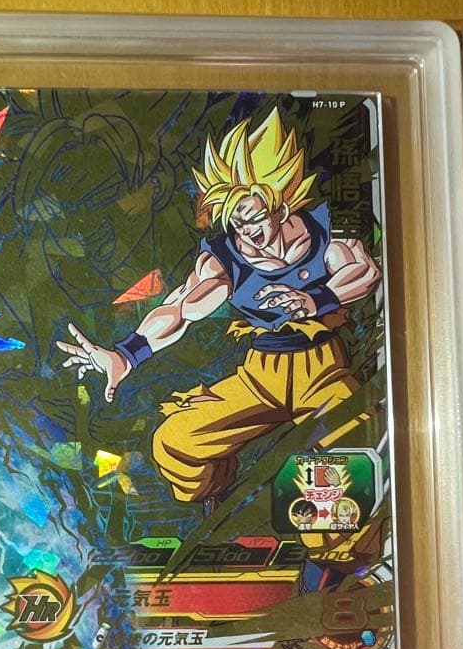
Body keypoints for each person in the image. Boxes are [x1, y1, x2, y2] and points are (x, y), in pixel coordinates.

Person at [58, 107, 381, 585]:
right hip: (260, 374)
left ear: (281, 205)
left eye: (253, 219)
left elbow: (364, 272)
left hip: (324, 370)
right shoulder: (225, 258)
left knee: (339, 462)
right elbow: (182, 307)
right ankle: (226, 498)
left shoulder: (324, 230)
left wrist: (314, 300)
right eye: (235, 223)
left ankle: (336, 564)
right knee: (175, 443)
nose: (246, 234)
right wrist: (127, 353)